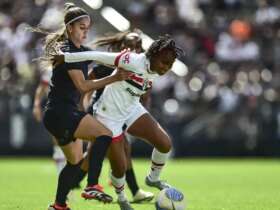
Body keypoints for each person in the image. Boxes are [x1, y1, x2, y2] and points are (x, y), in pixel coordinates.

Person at [56, 34, 184, 210]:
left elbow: (141, 88)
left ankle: (153, 179)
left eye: (170, 65)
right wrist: (66, 57)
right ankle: (122, 198)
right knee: (120, 168)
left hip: (131, 110)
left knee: (165, 144)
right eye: (164, 62)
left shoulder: (154, 69)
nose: (166, 68)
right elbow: (95, 55)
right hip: (108, 116)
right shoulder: (130, 60)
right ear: (153, 55)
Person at [33, 3, 132, 210]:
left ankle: (59, 205)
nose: (85, 32)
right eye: (81, 28)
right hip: (63, 113)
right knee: (104, 135)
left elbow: (99, 58)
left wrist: (124, 59)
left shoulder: (77, 51)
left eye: (87, 28)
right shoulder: (68, 52)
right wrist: (114, 77)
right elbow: (83, 86)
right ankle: (92, 185)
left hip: (56, 115)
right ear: (70, 28)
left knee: (75, 163)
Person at [87, 30, 154, 203]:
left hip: (120, 115)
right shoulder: (109, 65)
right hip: (102, 112)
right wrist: (82, 105)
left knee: (121, 150)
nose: (134, 49)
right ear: (122, 47)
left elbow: (144, 94)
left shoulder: (141, 66)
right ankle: (70, 186)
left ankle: (131, 190)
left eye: (138, 46)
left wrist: (142, 110)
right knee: (96, 155)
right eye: (130, 45)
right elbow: (88, 81)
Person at [32, 67, 66, 175]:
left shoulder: (73, 65)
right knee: (58, 142)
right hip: (54, 107)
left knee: (70, 143)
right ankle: (62, 175)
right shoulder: (50, 70)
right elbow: (42, 87)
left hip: (70, 106)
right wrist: (36, 105)